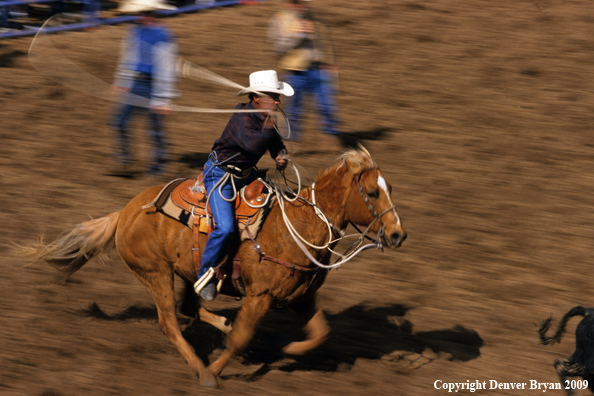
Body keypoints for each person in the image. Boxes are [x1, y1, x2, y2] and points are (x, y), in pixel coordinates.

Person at [195, 70, 293, 301]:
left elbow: (275, 142)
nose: (278, 101)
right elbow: (251, 144)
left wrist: (280, 155)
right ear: (256, 98)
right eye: (272, 96)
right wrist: (270, 125)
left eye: (277, 96)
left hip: (246, 175)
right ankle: (204, 275)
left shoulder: (266, 117)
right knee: (225, 228)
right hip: (220, 175)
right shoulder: (243, 116)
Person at [110, 0, 178, 177]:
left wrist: (163, 98)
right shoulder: (134, 30)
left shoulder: (163, 35)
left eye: (147, 13)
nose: (143, 16)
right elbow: (128, 56)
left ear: (154, 13)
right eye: (142, 12)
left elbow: (166, 67)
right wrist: (122, 81)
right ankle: (125, 156)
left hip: (153, 85)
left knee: (154, 128)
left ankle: (158, 164)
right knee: (119, 121)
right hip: (136, 83)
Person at [268, 0, 341, 147]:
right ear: (288, 4)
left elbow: (324, 42)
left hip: (319, 68)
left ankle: (331, 138)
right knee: (294, 108)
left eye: (301, 2)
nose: (300, 6)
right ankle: (290, 142)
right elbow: (277, 48)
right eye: (295, 3)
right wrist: (297, 35)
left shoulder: (314, 17)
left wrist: (330, 62)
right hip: (295, 71)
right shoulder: (278, 20)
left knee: (327, 105)